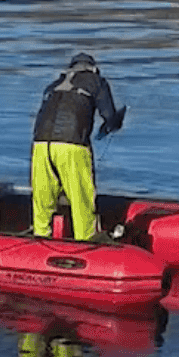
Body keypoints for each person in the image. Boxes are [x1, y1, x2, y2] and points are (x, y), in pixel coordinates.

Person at [30, 52, 127, 241]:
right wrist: (115, 122)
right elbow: (109, 117)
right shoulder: (97, 82)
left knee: (43, 198)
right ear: (93, 68)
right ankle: (86, 239)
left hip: (41, 144)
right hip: (72, 144)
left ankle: (40, 238)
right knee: (80, 196)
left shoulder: (53, 86)